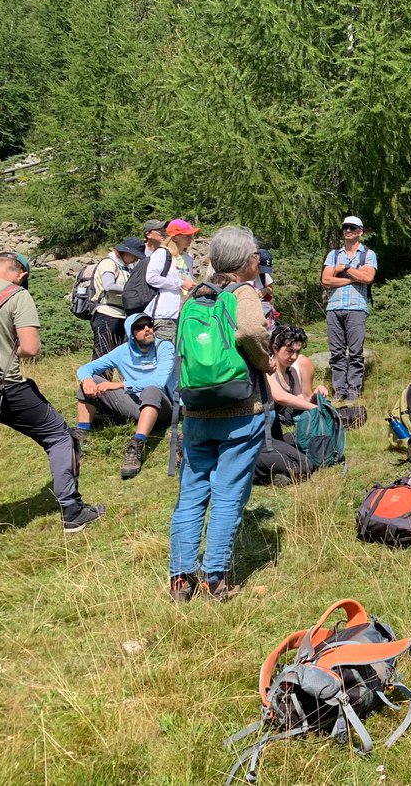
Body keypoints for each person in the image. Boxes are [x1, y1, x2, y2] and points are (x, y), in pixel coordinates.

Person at [168, 226, 273, 602]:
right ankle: (215, 579)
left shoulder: (195, 295)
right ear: (246, 262)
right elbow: (249, 331)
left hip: (197, 410)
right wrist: (267, 362)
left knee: (192, 492)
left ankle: (180, 578)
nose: (258, 261)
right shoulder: (243, 292)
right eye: (256, 255)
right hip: (240, 409)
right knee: (228, 494)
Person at [0, 252, 104, 532]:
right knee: (58, 436)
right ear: (21, 275)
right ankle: (73, 512)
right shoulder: (16, 295)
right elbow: (31, 348)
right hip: (2, 387)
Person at [74, 312, 175, 480]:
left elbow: (159, 381)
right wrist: (87, 380)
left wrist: (121, 385)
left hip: (164, 407)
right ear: (131, 334)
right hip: (136, 405)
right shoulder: (123, 351)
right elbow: (86, 368)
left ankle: (137, 444)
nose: (147, 329)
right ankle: (82, 433)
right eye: (140, 327)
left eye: (149, 324)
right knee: (91, 381)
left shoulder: (164, 347)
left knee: (151, 389)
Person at [254, 325, 326, 486]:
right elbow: (280, 397)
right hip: (259, 436)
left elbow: (299, 403)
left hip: (275, 435)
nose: (293, 356)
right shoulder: (267, 369)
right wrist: (314, 408)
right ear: (275, 348)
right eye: (289, 351)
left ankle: (275, 471)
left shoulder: (292, 373)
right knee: (305, 465)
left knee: (310, 448)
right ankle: (255, 470)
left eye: (297, 352)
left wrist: (316, 397)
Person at [321, 215, 376, 402]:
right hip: (334, 308)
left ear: (360, 231)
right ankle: (339, 390)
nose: (348, 231)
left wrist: (343, 268)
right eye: (345, 227)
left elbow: (368, 278)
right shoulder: (334, 255)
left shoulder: (368, 254)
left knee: (355, 351)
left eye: (352, 227)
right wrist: (352, 277)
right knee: (336, 352)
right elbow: (326, 279)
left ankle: (353, 389)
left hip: (356, 308)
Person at [90, 236, 145, 359]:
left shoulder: (125, 268)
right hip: (107, 314)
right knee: (103, 355)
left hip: (120, 315)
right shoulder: (109, 263)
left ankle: (105, 378)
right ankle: (95, 378)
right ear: (126, 252)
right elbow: (109, 285)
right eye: (134, 255)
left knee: (113, 356)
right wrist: (132, 291)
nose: (135, 259)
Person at [145, 218, 198, 343]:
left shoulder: (188, 258)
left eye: (191, 235)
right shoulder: (162, 254)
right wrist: (180, 283)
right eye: (186, 236)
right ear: (175, 238)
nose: (190, 238)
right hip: (165, 314)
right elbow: (151, 277)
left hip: (183, 313)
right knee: (165, 353)